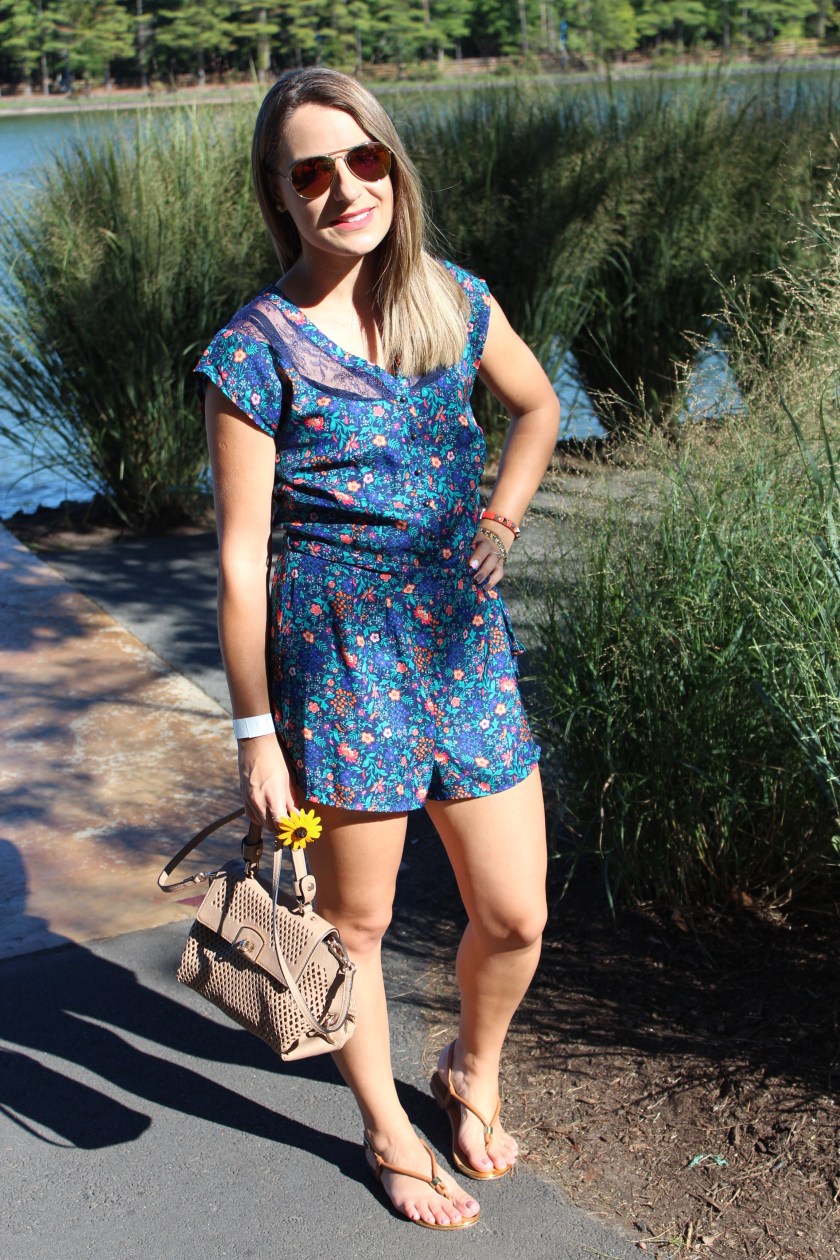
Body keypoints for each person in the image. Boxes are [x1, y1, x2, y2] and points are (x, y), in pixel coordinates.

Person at [197, 67, 560, 1231]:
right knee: (354, 926)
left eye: (364, 160)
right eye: (312, 173)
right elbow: (240, 564)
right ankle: (387, 1130)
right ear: (280, 194)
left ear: (393, 165)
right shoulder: (255, 350)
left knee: (516, 914)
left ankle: (469, 1068)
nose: (346, 189)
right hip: (340, 663)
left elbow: (539, 406)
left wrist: (502, 519)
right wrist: (255, 736)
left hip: (462, 647)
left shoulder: (453, 301)